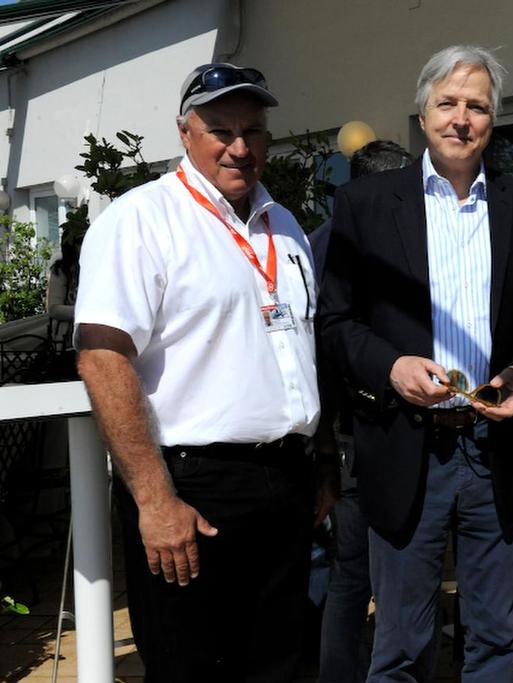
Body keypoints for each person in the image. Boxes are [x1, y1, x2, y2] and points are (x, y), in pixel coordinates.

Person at [74, 63, 337, 682]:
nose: (239, 147)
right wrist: (154, 497)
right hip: (193, 487)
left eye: (253, 130)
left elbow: (302, 349)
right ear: (184, 133)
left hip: (285, 479)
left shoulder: (287, 226)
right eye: (220, 129)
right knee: (192, 666)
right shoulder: (141, 220)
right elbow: (102, 359)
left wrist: (323, 462)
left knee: (279, 664)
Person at [317, 45, 513, 682]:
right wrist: (391, 368)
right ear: (424, 112)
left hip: (498, 450)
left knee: (494, 644)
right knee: (400, 646)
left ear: (494, 119)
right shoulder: (367, 205)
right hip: (408, 451)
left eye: (477, 106)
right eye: (448, 103)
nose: (462, 118)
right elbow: (335, 322)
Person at [314, 139, 413, 683]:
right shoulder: (345, 247)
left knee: (354, 574)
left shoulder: (318, 240)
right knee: (368, 572)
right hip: (359, 432)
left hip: (351, 431)